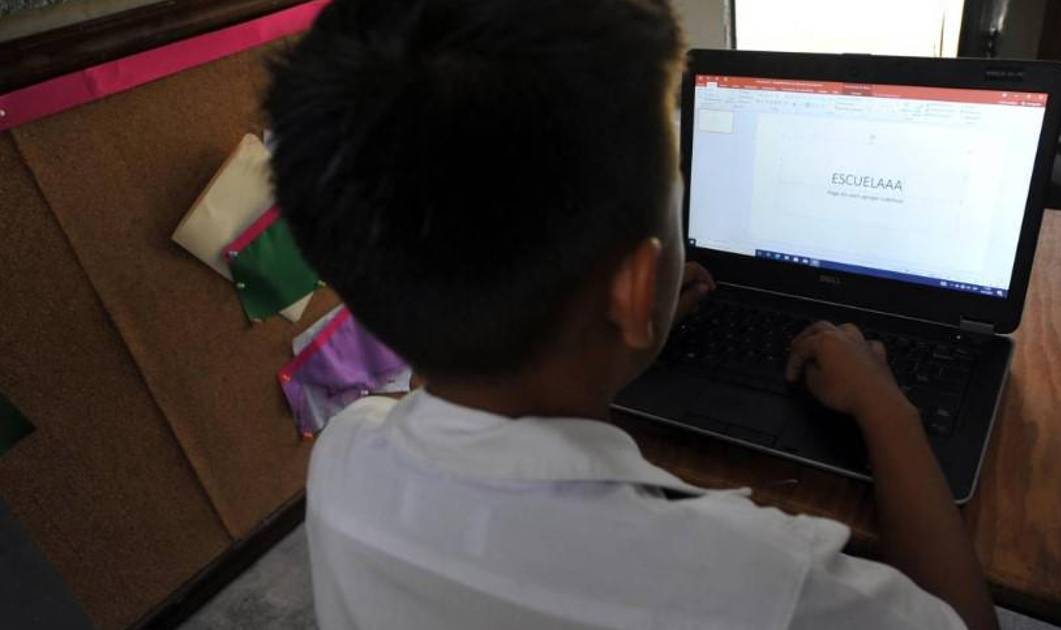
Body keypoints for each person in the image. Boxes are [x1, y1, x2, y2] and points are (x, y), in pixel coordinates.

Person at [265, 0, 998, 628]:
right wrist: (887, 410)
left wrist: (611, 335)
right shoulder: (762, 580)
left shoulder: (343, 459)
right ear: (636, 287)